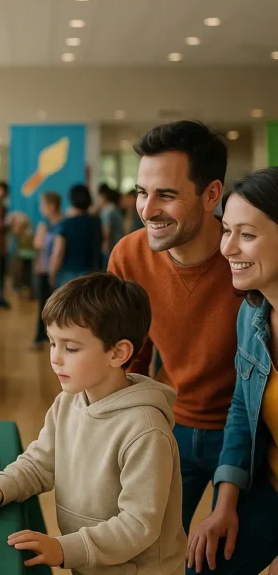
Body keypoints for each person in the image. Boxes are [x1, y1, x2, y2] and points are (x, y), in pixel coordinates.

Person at [0, 274, 186, 573]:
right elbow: (40, 464)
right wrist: (1, 488)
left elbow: (137, 525)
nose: (56, 358)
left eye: (71, 348)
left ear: (118, 353)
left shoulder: (145, 431)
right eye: (52, 343)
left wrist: (64, 547)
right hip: (90, 564)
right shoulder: (68, 402)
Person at [107, 120, 243, 534]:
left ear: (212, 194)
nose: (148, 210)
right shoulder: (129, 254)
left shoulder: (248, 255)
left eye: (166, 195)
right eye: (142, 193)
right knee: (145, 549)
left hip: (250, 437)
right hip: (170, 423)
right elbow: (128, 354)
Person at [187, 169, 278, 575]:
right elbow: (242, 410)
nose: (227, 248)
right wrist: (224, 505)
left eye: (247, 234)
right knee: (204, 564)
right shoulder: (252, 314)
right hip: (268, 486)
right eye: (226, 230)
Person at [49, 184, 100, 288]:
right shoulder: (96, 222)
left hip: (69, 274)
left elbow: (58, 252)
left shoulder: (66, 224)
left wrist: (52, 273)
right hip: (91, 273)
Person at [32, 191, 64, 350]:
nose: (42, 209)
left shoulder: (60, 225)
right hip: (44, 270)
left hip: (56, 272)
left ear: (51, 206)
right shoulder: (47, 224)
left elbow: (38, 244)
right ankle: (41, 336)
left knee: (56, 305)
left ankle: (54, 337)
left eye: (43, 206)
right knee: (43, 305)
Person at [98, 184, 125, 268]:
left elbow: (107, 230)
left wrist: (105, 246)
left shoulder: (108, 210)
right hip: (117, 244)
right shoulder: (114, 208)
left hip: (111, 247)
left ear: (103, 196)